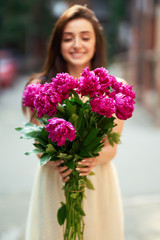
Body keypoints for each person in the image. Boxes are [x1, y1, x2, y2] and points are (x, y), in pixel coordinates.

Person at [23, 4, 125, 240]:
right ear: (58, 43)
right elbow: (39, 145)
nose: (77, 44)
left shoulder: (113, 88)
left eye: (85, 37)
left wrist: (88, 161)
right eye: (68, 38)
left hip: (97, 181)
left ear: (96, 43)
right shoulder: (40, 87)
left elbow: (112, 147)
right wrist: (57, 162)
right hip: (54, 180)